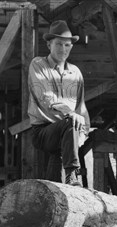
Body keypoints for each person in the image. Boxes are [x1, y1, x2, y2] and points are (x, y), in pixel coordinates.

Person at [28, 20, 90, 186]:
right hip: (43, 131)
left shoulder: (75, 72)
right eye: (59, 44)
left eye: (67, 45)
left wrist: (83, 133)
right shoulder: (38, 64)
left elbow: (81, 108)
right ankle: (72, 175)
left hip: (69, 132)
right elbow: (45, 97)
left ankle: (56, 190)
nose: (64, 49)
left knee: (72, 135)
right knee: (70, 123)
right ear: (49, 44)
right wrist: (71, 116)